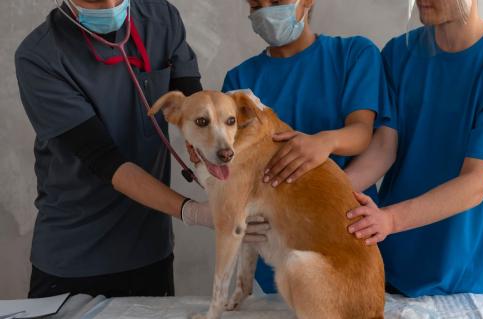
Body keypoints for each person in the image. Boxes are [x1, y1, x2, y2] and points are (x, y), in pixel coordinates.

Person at [15, 0, 266, 298]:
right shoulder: (40, 56)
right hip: (75, 254)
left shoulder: (160, 17)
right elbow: (103, 159)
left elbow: (192, 106)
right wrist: (194, 212)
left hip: (149, 249)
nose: (110, 4)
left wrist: (224, 144)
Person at [345, 0, 483, 297]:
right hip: (387, 261)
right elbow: (383, 148)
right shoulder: (398, 54)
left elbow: (475, 183)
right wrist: (322, 195)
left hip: (456, 278)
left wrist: (391, 219)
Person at [222, 0, 395, 293]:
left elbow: (362, 133)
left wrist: (326, 142)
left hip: (343, 232)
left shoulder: (353, 54)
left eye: (276, 2)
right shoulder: (239, 81)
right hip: (276, 249)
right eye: (256, 4)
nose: (265, 11)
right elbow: (233, 164)